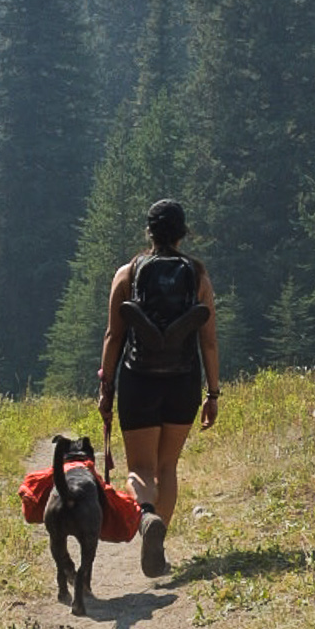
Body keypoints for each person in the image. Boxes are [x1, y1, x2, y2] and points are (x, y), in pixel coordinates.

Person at [97, 199, 220, 578]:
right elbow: (209, 341)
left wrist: (106, 388)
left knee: (140, 468)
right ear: (183, 233)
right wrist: (212, 393)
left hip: (139, 380)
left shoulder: (128, 273)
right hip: (182, 380)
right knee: (167, 467)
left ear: (148, 232)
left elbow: (114, 336)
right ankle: (158, 542)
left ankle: (146, 516)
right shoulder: (197, 275)